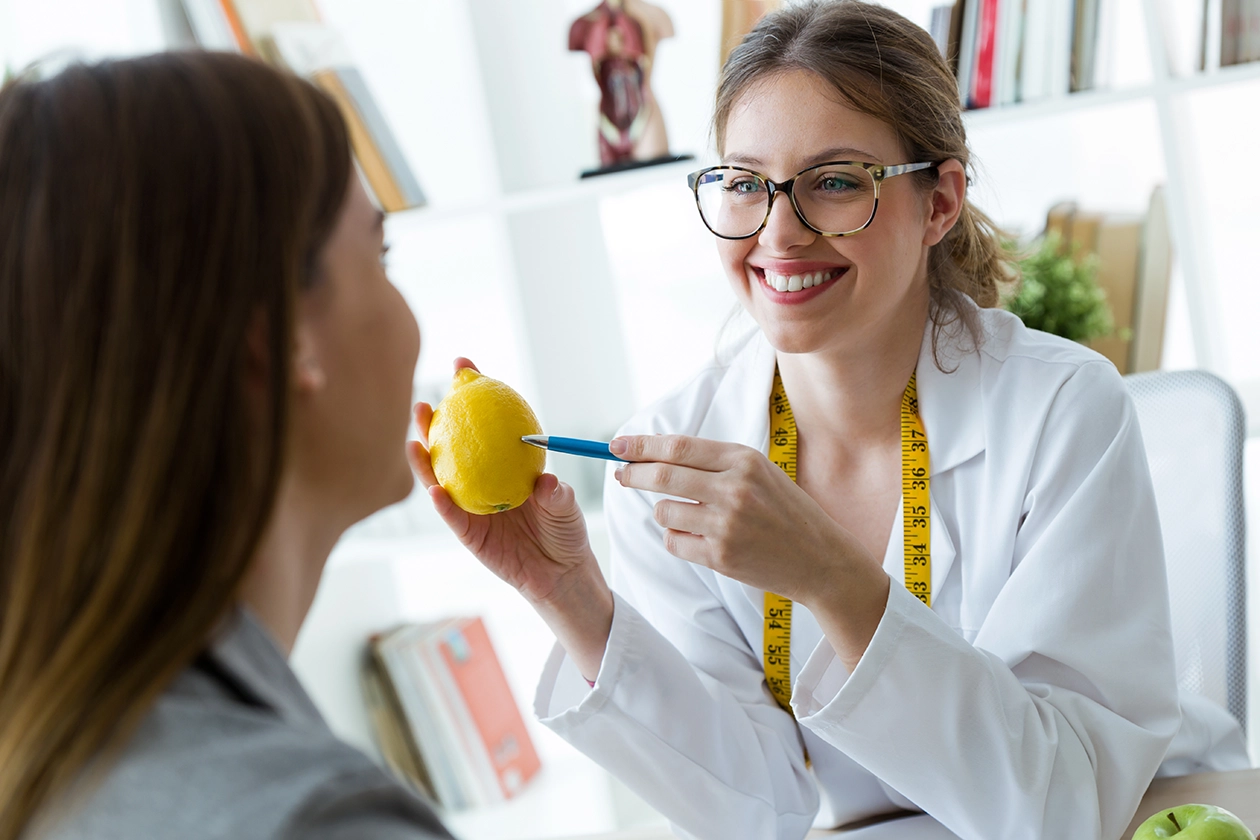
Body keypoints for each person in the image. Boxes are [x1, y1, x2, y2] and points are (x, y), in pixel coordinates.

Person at [412, 2, 1250, 838]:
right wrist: (569, 597)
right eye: (745, 184)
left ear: (940, 203)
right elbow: (758, 813)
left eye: (837, 181)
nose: (780, 234)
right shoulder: (666, 466)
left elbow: (1065, 807)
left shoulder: (1062, 409)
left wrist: (829, 575)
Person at [0, 52, 452, 840]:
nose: (410, 315)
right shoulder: (318, 822)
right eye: (379, 256)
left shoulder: (54, 746)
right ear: (281, 333)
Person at [569, 0, 674, 167]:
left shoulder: (652, 15)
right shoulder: (584, 24)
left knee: (655, 179)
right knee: (613, 186)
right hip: (608, 116)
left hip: (644, 110)